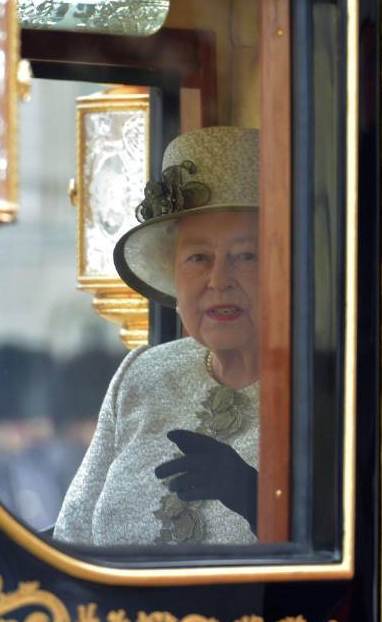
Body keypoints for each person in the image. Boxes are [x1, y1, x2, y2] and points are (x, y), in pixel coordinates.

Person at [55, 127, 262, 546]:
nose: (219, 280)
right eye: (198, 258)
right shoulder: (142, 373)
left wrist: (255, 499)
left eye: (246, 256)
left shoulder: (326, 395)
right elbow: (72, 538)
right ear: (173, 272)